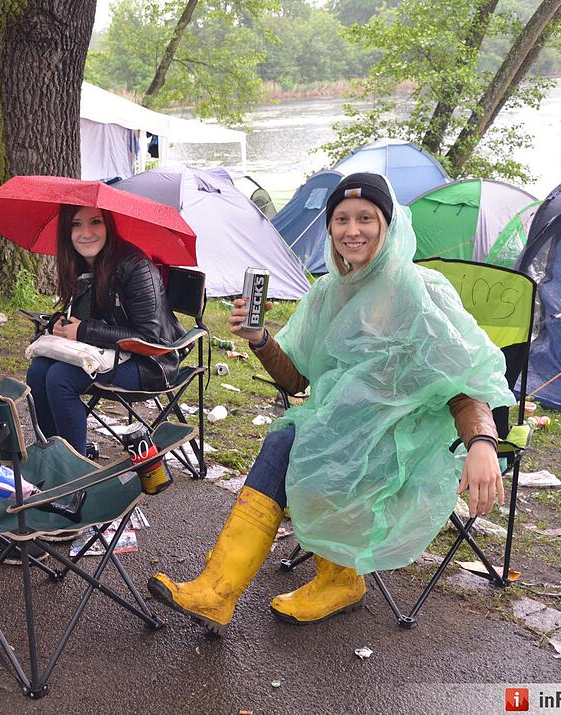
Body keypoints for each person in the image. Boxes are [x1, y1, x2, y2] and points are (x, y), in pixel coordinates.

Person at [148, 173, 515, 634]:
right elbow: (298, 376)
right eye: (341, 219)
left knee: (291, 441)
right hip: (342, 429)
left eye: (366, 218)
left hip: (405, 441)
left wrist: (482, 442)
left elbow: (463, 383)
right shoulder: (328, 293)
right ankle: (322, 579)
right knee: (293, 437)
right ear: (329, 229)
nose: (352, 230)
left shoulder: (421, 292)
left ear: (389, 225)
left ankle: (228, 589)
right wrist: (260, 338)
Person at [26, 204, 184, 456]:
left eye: (95, 222)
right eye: (76, 224)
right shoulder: (81, 264)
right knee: (39, 370)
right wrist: (61, 323)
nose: (86, 232)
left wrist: (83, 331)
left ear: (108, 225)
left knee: (61, 377)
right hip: (110, 354)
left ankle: (75, 472)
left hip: (152, 362)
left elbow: (149, 338)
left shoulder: (136, 266)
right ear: (66, 231)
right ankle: (51, 455)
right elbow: (85, 318)